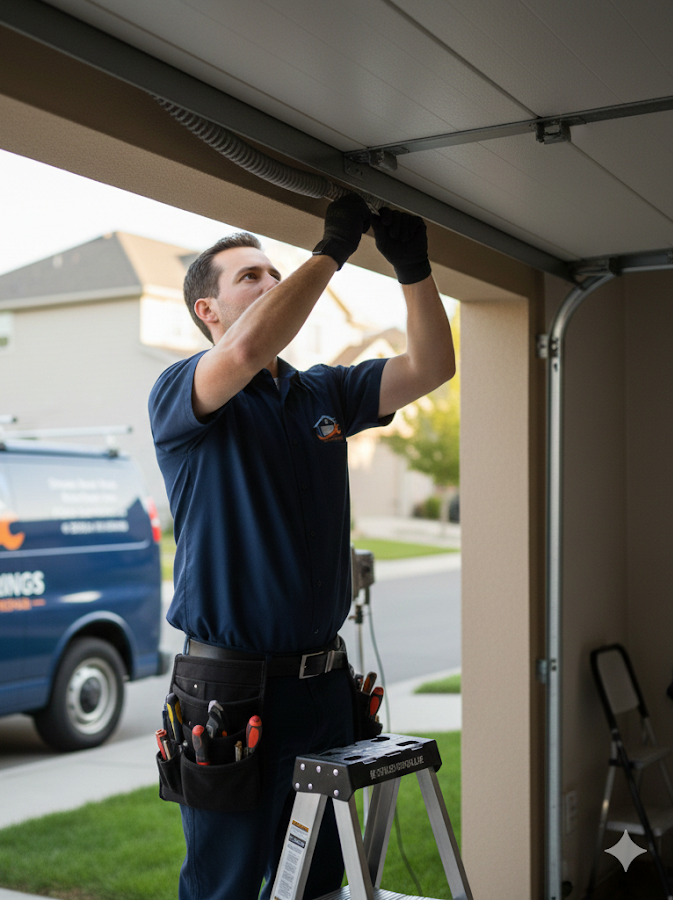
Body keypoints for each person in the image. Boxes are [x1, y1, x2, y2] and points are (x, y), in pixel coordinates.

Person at [148, 193, 455, 900]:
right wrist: (334, 249)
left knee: (318, 883)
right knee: (223, 886)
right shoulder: (183, 394)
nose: (271, 283)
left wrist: (413, 269)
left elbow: (433, 366)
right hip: (230, 695)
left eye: (272, 272)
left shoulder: (324, 394)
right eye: (250, 277)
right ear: (209, 311)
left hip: (322, 688)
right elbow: (248, 350)